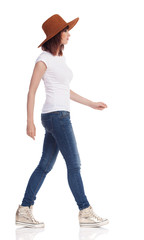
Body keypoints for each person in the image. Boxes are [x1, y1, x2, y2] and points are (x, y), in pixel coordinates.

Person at [15, 14, 109, 228]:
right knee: (74, 165)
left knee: (45, 166)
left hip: (58, 116)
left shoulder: (60, 59)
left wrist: (91, 103)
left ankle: (24, 209)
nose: (68, 35)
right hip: (56, 117)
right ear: (56, 35)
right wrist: (29, 121)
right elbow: (31, 91)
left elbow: (66, 91)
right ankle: (85, 210)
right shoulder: (43, 59)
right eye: (65, 31)